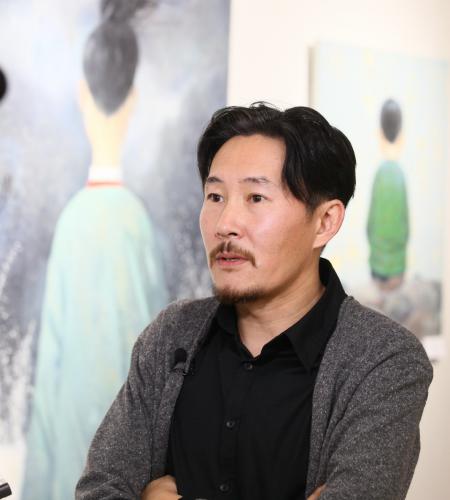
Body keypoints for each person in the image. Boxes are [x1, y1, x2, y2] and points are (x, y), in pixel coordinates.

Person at [76, 103, 432, 500]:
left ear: (325, 222)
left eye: (256, 198)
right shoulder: (170, 336)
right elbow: (98, 489)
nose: (225, 223)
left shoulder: (384, 359)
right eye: (215, 196)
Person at [22, 1, 168, 499]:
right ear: (133, 100)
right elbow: (161, 361)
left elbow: (51, 364)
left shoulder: (72, 223)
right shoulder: (137, 225)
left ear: (82, 94)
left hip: (71, 462)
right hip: (128, 466)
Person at [367, 98, 409, 290]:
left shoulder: (381, 173)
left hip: (378, 263)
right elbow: (405, 224)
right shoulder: (398, 174)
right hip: (396, 264)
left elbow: (371, 223)